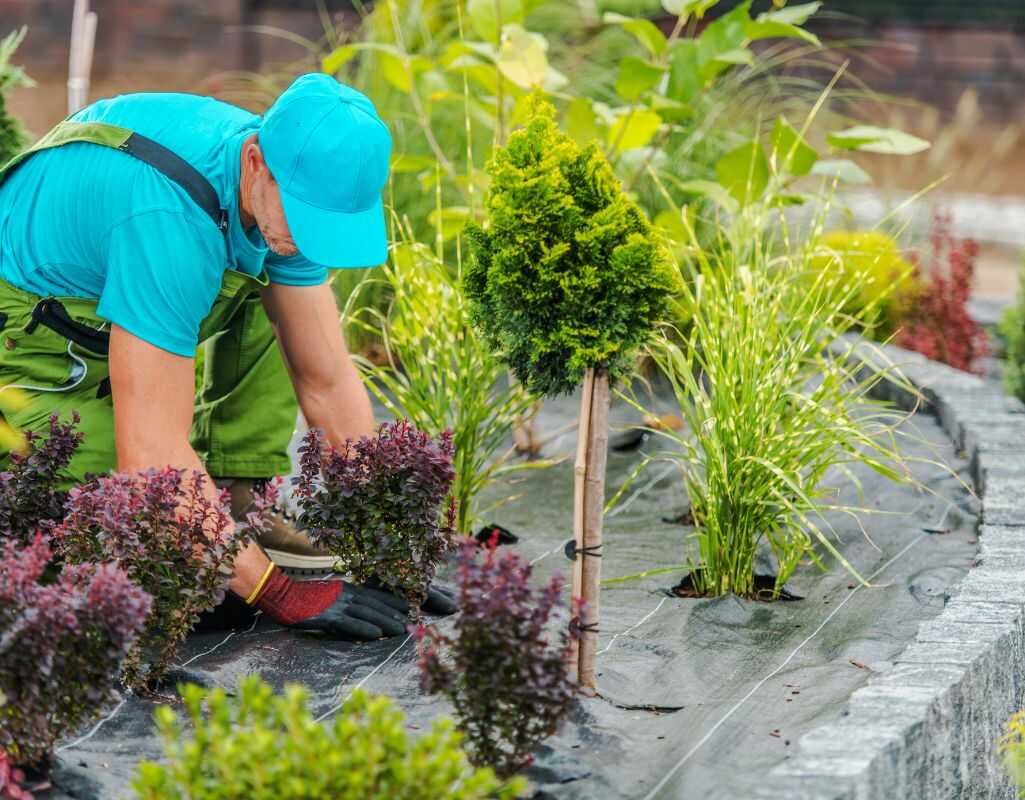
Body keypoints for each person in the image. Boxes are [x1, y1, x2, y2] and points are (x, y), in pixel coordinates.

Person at [0, 72, 454, 640]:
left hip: (121, 289)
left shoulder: (280, 191)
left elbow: (328, 381)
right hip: (32, 332)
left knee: (282, 298)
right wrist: (279, 593)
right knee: (99, 545)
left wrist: (383, 545)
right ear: (257, 161)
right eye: (305, 218)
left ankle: (237, 499)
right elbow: (151, 455)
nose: (309, 240)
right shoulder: (168, 218)